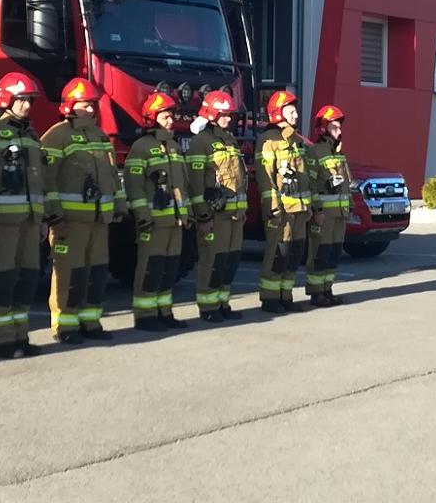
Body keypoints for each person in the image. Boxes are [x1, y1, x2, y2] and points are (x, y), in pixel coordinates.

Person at [0, 73, 49, 359]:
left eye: (29, 100)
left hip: (29, 223)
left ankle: (20, 336)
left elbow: (38, 182)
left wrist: (40, 220)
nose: (27, 106)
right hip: (0, 224)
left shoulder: (30, 134)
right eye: (21, 100)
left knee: (26, 279)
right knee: (1, 281)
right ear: (6, 99)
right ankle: (0, 340)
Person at [42, 77, 125, 343]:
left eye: (92, 104)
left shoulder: (100, 136)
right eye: (83, 104)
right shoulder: (56, 136)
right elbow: (47, 179)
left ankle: (90, 321)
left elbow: (112, 175)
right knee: (69, 272)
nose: (89, 109)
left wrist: (119, 205)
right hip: (70, 221)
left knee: (96, 272)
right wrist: (54, 215)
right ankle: (65, 326)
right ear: (69, 106)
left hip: (99, 220)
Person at [125, 92, 191, 331]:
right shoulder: (141, 148)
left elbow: (181, 185)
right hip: (153, 223)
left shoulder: (173, 147)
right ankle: (145, 315)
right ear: (152, 118)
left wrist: (187, 213)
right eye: (165, 116)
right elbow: (134, 187)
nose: (171, 121)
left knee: (168, 268)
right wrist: (142, 217)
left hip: (175, 222)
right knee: (150, 268)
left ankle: (165, 311)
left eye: (171, 116)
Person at [185, 90, 249, 322]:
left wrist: (242, 209)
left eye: (230, 115)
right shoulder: (200, 143)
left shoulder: (230, 140)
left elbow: (239, 177)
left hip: (234, 216)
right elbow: (195, 184)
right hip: (215, 217)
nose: (228, 119)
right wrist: (203, 217)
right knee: (211, 261)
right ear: (211, 115)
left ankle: (222, 302)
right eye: (224, 115)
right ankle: (208, 307)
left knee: (228, 261)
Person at [255, 90, 315, 313]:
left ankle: (286, 296)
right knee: (278, 253)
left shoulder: (295, 141)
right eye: (291, 111)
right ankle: (270, 298)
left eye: (296, 111)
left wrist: (308, 206)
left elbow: (304, 176)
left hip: (299, 210)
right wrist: (273, 208)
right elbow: (265, 177)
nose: (296, 115)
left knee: (294, 253)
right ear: (278, 113)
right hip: (281, 211)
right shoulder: (269, 141)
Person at [306, 104, 353, 307]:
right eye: (335, 127)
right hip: (324, 215)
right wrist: (317, 210)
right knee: (320, 252)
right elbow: (311, 184)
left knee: (333, 253)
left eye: (340, 127)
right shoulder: (315, 152)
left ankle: (327, 289)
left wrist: (349, 206)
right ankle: (317, 293)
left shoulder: (339, 152)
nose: (339, 131)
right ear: (323, 128)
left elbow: (345, 182)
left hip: (339, 214)